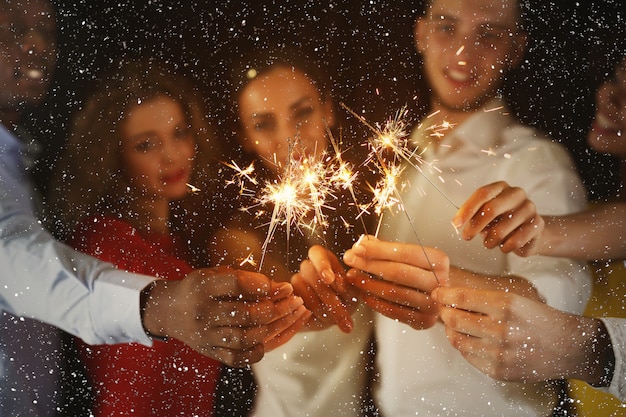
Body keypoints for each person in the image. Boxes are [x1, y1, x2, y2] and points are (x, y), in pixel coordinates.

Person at [0, 1, 308, 414]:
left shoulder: (181, 245)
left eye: (179, 134)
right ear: (113, 157)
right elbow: (19, 263)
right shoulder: (104, 243)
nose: (171, 156)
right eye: (146, 144)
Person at [336, 0, 592, 415]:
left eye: (488, 33)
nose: (462, 53)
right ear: (420, 34)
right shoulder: (405, 161)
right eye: (447, 26)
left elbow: (557, 312)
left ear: (516, 48)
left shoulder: (537, 163)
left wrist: (439, 284)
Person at [431, 56, 626, 403]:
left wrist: (586, 348)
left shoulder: (538, 159)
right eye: (615, 76)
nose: (610, 95)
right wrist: (537, 230)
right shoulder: (602, 212)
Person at [206, 46, 376, 417]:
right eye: (265, 124)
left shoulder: (368, 209)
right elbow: (279, 312)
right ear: (245, 136)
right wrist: (315, 299)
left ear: (328, 110)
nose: (291, 137)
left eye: (302, 113)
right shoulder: (239, 239)